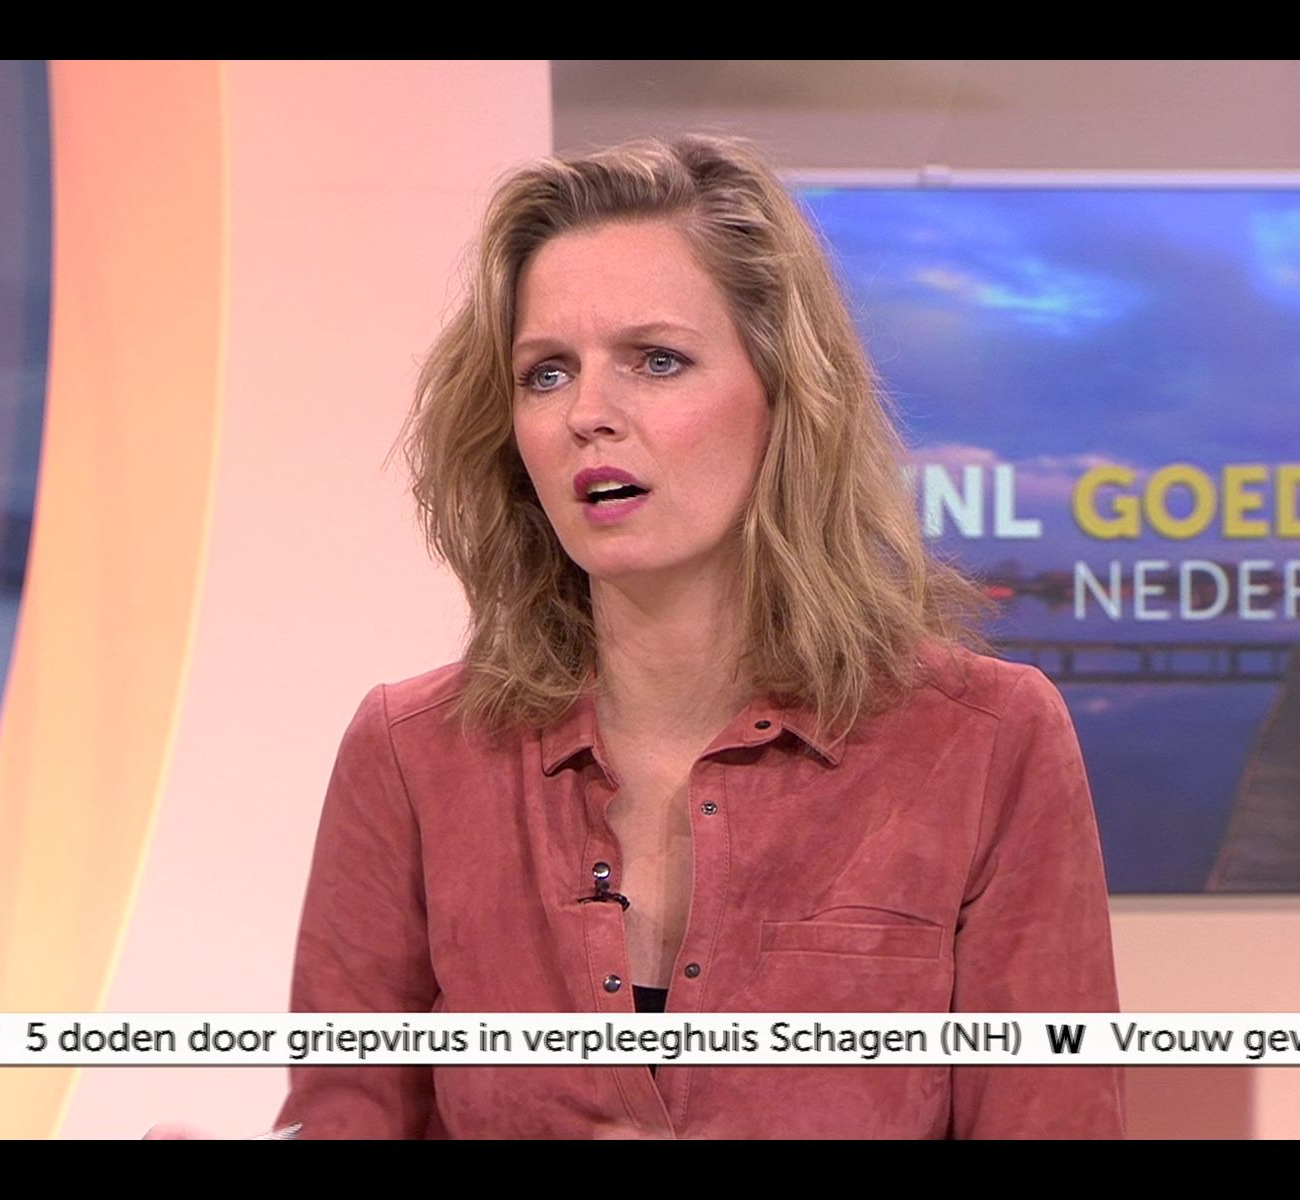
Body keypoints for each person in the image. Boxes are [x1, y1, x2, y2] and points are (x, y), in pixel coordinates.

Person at [274, 132, 1123, 1139]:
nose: (588, 413)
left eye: (657, 360)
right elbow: (346, 1116)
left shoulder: (986, 743)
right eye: (546, 373)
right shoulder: (412, 755)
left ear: (785, 398)